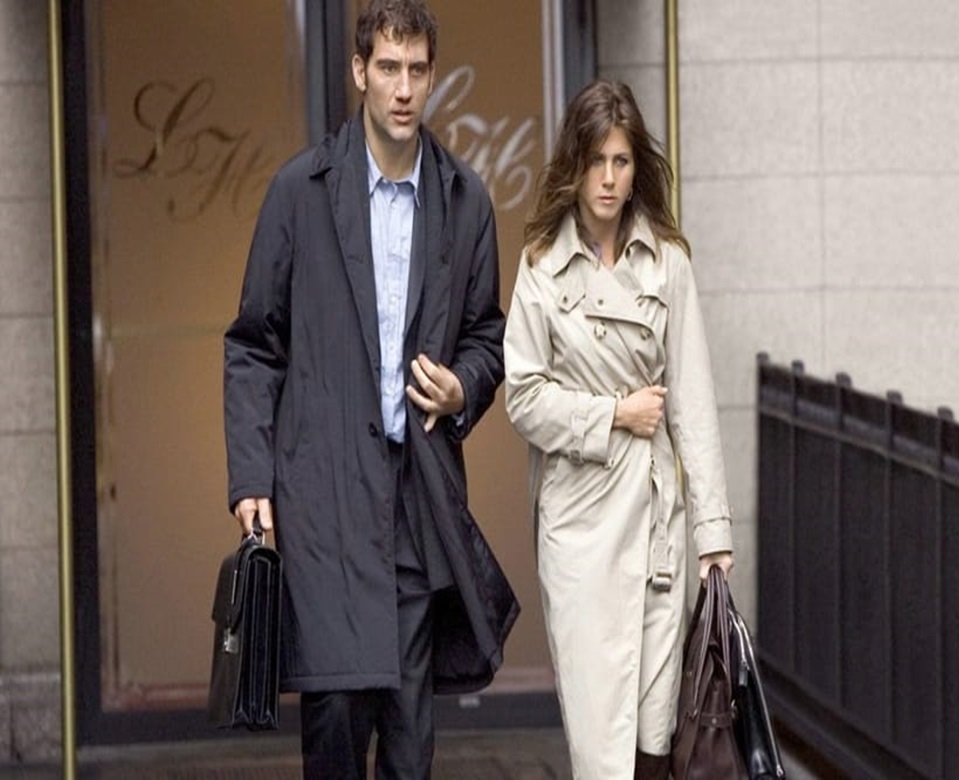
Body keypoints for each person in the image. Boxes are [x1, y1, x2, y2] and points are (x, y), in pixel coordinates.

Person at [223, 1, 518, 777]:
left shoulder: (465, 200)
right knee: (335, 722)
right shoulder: (300, 191)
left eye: (417, 69)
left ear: (433, 76)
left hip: (417, 500)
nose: (403, 87)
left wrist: (462, 389)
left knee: (411, 744)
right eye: (388, 67)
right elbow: (253, 344)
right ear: (360, 71)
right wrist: (252, 478)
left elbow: (487, 336)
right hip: (322, 498)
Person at [504, 79, 735, 780]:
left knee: (656, 737)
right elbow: (522, 398)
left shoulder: (668, 263)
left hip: (656, 524)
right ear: (573, 165)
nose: (608, 178)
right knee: (600, 744)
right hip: (579, 528)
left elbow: (693, 401)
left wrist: (713, 535)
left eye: (622, 161)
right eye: (595, 161)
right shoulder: (542, 265)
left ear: (638, 168)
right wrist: (612, 415)